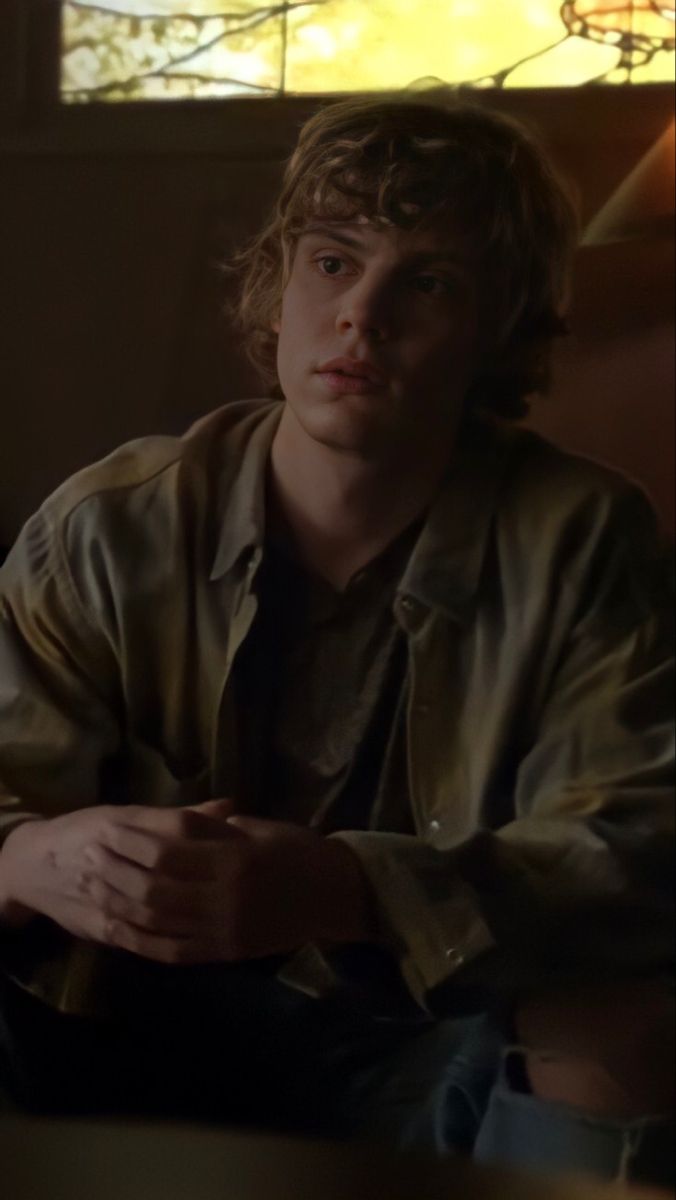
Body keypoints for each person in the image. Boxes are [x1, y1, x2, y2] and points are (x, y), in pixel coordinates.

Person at [0, 92, 673, 1185]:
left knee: (618, 1021)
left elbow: (636, 852)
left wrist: (347, 891)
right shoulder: (109, 526)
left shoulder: (581, 538)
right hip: (114, 1029)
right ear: (277, 287)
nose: (364, 316)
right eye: (332, 262)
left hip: (431, 1042)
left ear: (499, 328)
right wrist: (28, 859)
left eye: (431, 281)